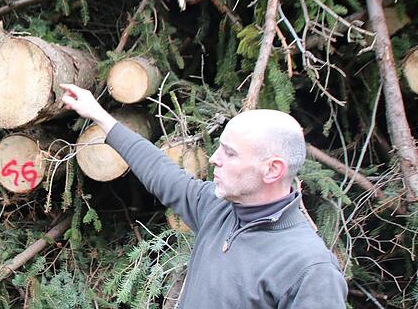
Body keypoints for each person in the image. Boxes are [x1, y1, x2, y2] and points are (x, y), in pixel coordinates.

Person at [60, 83, 348, 308]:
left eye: (230, 153)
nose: (213, 159)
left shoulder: (309, 269)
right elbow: (160, 172)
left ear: (272, 169)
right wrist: (98, 114)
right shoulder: (219, 210)